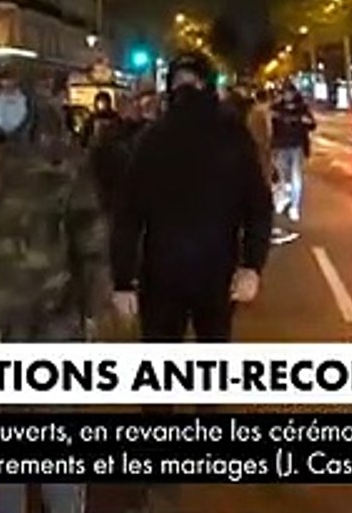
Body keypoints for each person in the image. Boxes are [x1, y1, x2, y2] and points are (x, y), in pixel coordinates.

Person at [0, 69, 109, 513]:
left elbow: (90, 237)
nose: (7, 103)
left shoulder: (63, 163)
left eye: (15, 94)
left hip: (53, 320)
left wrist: (94, 309)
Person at [111, 52, 272, 343]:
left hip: (163, 272)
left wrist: (123, 280)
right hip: (215, 270)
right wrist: (252, 265)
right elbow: (258, 206)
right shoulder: (233, 136)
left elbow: (127, 214)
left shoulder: (152, 138)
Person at [247, 89, 297, 246]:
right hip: (261, 159)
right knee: (265, 192)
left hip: (261, 158)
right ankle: (266, 230)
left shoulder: (256, 113)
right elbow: (264, 139)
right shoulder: (261, 114)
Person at [269, 81, 315, 224]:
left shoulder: (302, 108)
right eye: (285, 93)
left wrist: (305, 121)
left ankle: (294, 206)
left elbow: (312, 124)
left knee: (296, 178)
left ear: (294, 93)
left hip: (297, 146)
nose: (288, 95)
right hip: (281, 146)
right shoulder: (276, 107)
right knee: (283, 177)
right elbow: (271, 125)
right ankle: (285, 195)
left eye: (290, 92)